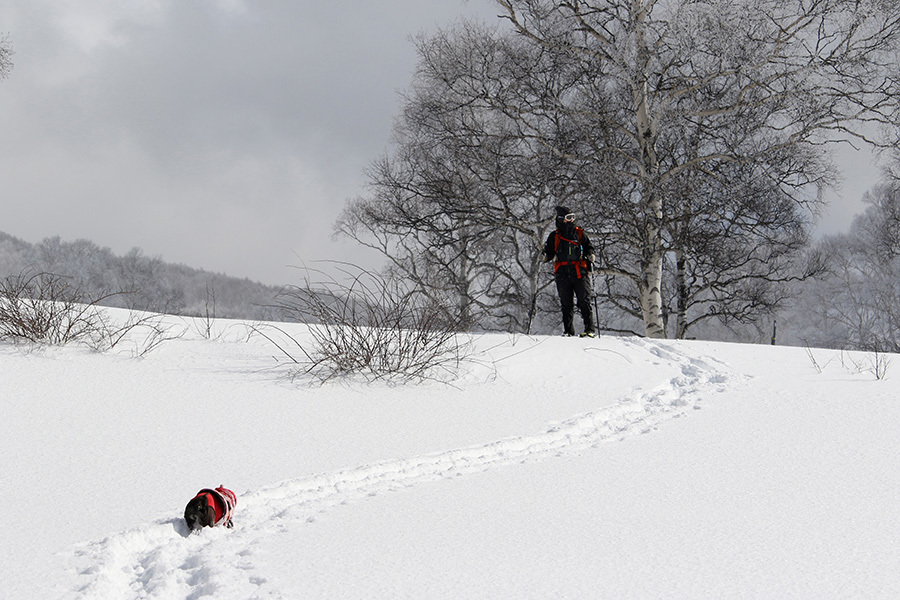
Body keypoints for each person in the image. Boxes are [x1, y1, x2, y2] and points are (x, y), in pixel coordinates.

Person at [543, 206, 597, 337]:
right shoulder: (554, 236)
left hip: (579, 272)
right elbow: (549, 252)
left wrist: (591, 255)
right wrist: (544, 256)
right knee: (566, 303)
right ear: (561, 219)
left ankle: (589, 329)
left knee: (584, 300)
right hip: (562, 273)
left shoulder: (579, 233)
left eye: (573, 217)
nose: (571, 220)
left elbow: (589, 247)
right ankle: (568, 331)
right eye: (568, 218)